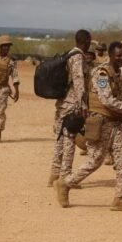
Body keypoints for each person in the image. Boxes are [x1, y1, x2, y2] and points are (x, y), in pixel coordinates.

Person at [55, 41, 122, 211]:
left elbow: (120, 96)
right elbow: (106, 99)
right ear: (110, 55)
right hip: (102, 122)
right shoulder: (102, 74)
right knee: (95, 160)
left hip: (114, 123)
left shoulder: (118, 73)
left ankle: (120, 198)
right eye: (119, 55)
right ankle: (65, 183)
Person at [48, 29, 91, 187]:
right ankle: (65, 177)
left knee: (59, 139)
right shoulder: (78, 57)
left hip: (61, 103)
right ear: (85, 41)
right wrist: (83, 105)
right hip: (72, 105)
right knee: (70, 140)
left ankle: (54, 174)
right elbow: (79, 82)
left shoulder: (68, 54)